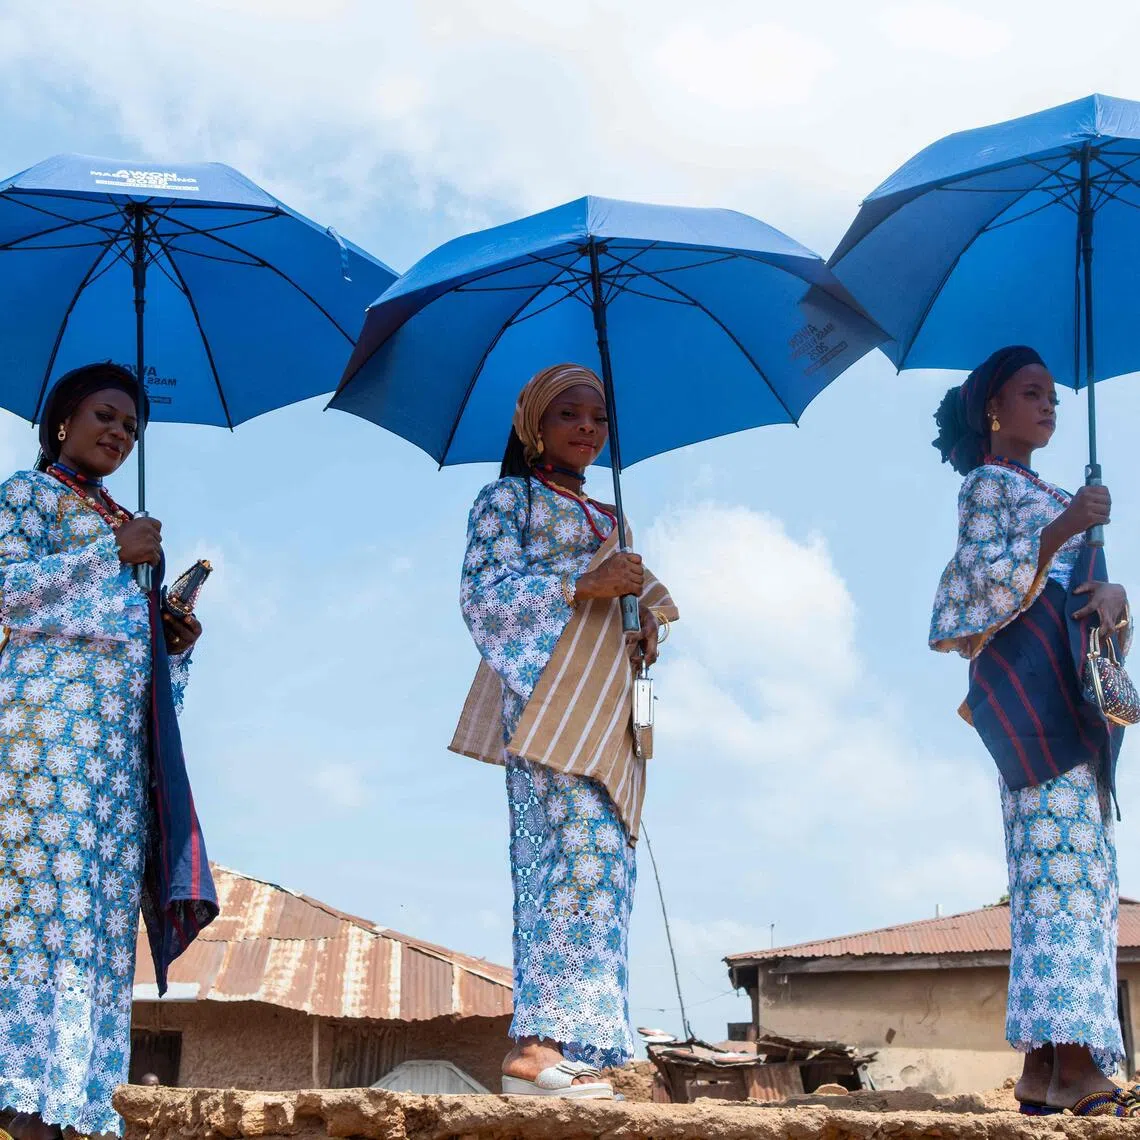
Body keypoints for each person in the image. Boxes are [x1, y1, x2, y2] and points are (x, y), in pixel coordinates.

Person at [0, 364, 216, 1139]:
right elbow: (4, 590)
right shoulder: (26, 497)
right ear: (62, 420)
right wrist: (109, 554)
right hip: (44, 743)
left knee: (94, 927)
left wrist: (173, 644)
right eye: (105, 415)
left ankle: (72, 1107)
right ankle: (22, 1103)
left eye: (132, 427)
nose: (119, 433)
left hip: (115, 767)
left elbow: (138, 669)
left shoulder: (136, 528)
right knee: (38, 917)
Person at [453, 363, 678, 1099]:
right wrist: (582, 585)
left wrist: (641, 624)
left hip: (609, 701)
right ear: (533, 427)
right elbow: (483, 596)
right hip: (550, 696)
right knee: (568, 858)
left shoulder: (611, 518)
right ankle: (534, 1045)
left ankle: (578, 1042)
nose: (587, 428)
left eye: (598, 418)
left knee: (605, 865)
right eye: (569, 415)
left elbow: (624, 606)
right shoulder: (505, 500)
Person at [929, 346, 1136, 1117]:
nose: (1049, 406)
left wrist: (1113, 591)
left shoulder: (1055, 490)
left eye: (1053, 395)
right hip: (1031, 699)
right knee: (1058, 878)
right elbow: (973, 588)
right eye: (1031, 393)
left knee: (1077, 879)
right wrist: (1063, 529)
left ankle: (1044, 1070)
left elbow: (1090, 605)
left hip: (1072, 695)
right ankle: (1077, 1061)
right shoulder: (987, 487)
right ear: (994, 408)